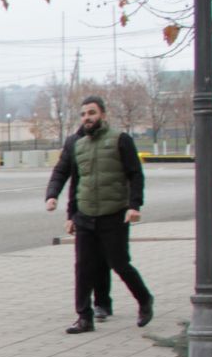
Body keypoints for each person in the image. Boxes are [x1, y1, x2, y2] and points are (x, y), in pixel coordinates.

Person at [45, 95, 154, 333]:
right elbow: (76, 182)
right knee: (83, 267)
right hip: (85, 215)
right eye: (83, 114)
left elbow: (135, 174)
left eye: (91, 113)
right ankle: (84, 317)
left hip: (113, 213)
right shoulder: (77, 144)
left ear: (103, 115)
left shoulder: (120, 140)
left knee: (119, 263)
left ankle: (144, 300)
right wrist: (70, 214)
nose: (87, 118)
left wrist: (134, 205)